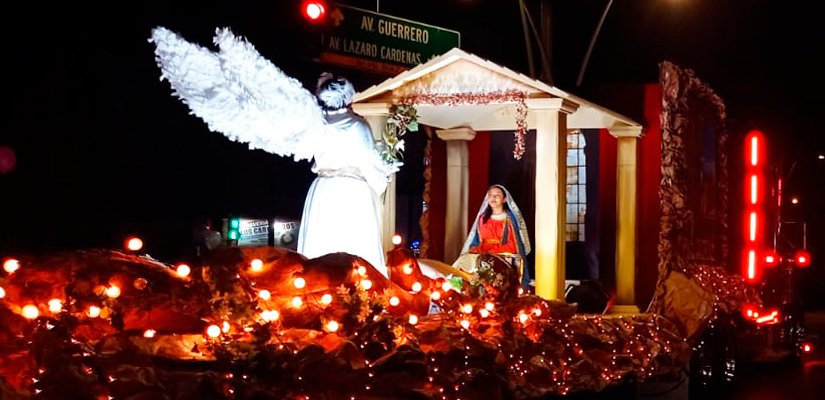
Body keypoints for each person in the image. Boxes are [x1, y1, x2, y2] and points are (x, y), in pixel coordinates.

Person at [296, 73, 399, 276]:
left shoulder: (316, 124)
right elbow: (369, 159)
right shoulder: (357, 125)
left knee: (322, 240)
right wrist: (382, 178)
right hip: (351, 188)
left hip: (323, 188)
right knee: (355, 241)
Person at [459, 184, 532, 289]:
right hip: (483, 253)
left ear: (504, 199)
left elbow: (512, 245)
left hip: (502, 254)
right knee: (463, 261)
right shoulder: (482, 219)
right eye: (490, 195)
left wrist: (491, 252)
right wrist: (476, 249)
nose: (493, 198)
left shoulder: (509, 219)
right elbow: (477, 242)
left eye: (497, 195)